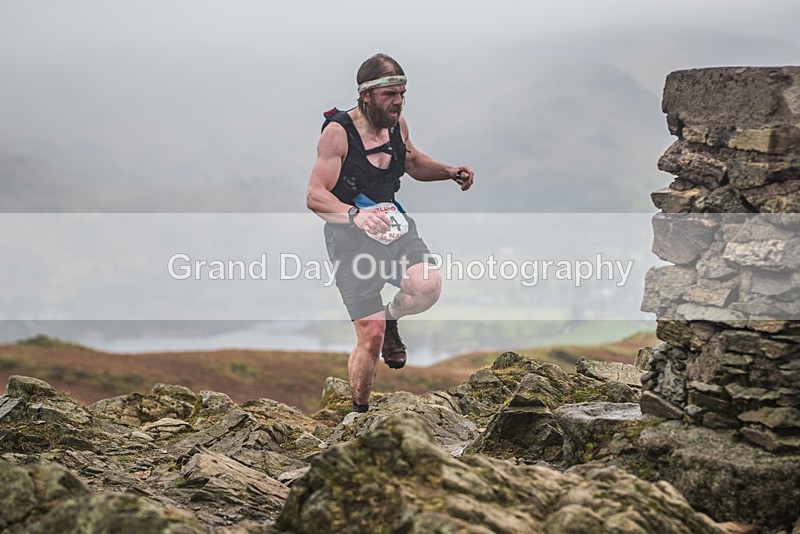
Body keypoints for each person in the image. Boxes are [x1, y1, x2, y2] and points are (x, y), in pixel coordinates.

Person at [306, 53, 474, 414]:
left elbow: (412, 162)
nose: (398, 101)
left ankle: (392, 314)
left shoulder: (398, 126)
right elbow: (315, 196)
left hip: (394, 227)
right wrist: (355, 216)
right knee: (371, 338)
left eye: (402, 93)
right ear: (365, 95)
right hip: (350, 239)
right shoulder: (338, 133)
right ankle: (359, 413)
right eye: (389, 95)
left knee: (428, 286)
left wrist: (447, 171)